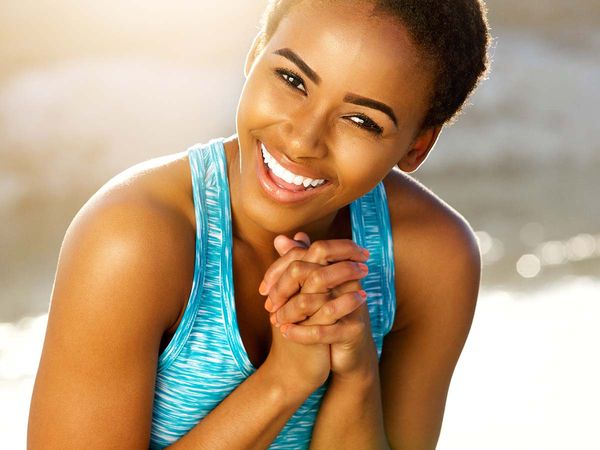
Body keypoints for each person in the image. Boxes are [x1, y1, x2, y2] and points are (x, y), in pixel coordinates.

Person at [28, 0, 490, 448]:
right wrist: (283, 383)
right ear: (255, 54)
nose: (303, 139)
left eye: (361, 120)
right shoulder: (131, 239)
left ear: (417, 146)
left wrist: (356, 377)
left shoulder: (431, 260)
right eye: (292, 79)